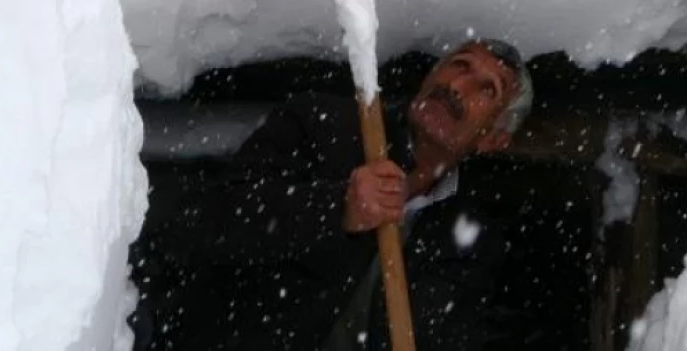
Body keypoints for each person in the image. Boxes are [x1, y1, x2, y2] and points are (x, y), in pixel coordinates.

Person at [136, 40, 534, 351]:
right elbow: (200, 225)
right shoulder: (324, 126)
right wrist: (336, 207)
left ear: (494, 140)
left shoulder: (468, 242)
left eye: (487, 89)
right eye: (459, 65)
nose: (456, 87)